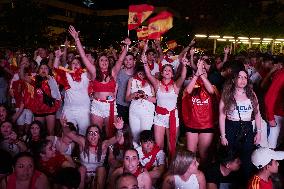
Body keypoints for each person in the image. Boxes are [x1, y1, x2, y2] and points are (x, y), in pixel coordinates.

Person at [69, 25, 131, 138]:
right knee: (95, 133)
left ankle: (110, 153)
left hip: (111, 106)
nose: (104, 62)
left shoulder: (113, 72)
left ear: (109, 62)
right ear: (98, 62)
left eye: (106, 60)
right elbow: (83, 56)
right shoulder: (93, 72)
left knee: (111, 133)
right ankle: (97, 154)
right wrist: (77, 39)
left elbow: (121, 59)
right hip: (97, 105)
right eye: (101, 60)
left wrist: (127, 46)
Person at [142, 41, 187, 158]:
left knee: (171, 146)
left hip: (172, 117)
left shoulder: (176, 86)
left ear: (172, 74)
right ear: (162, 73)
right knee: (159, 145)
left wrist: (184, 65)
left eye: (169, 71)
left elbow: (183, 76)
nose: (167, 72)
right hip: (159, 118)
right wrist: (145, 62)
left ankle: (170, 169)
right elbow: (148, 74)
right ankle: (160, 167)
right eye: (165, 70)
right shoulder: (157, 84)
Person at [219, 69, 262, 181]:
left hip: (247, 127)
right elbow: (222, 116)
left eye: (245, 77)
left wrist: (259, 132)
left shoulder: (251, 94)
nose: (243, 80)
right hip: (231, 126)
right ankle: (229, 182)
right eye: (239, 77)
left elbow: (257, 114)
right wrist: (223, 136)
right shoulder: (227, 94)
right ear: (233, 79)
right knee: (231, 157)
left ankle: (244, 182)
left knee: (246, 157)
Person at [61, 118, 122, 189]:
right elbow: (68, 134)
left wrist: (119, 129)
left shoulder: (103, 145)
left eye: (96, 133)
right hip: (83, 175)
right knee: (82, 168)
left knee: (101, 169)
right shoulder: (82, 142)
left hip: (99, 175)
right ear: (87, 135)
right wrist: (64, 126)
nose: (93, 135)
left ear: (99, 136)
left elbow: (117, 138)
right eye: (90, 133)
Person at [182, 59, 217, 165]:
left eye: (204, 72)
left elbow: (211, 91)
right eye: (199, 71)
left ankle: (204, 178)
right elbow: (187, 92)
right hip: (191, 125)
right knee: (190, 156)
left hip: (207, 126)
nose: (201, 72)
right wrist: (196, 75)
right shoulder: (191, 86)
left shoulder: (213, 87)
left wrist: (201, 74)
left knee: (204, 155)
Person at [53, 45, 91, 136]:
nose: (76, 64)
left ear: (81, 65)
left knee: (84, 134)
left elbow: (91, 68)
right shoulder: (66, 75)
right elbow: (55, 68)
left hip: (84, 110)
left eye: (78, 63)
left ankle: (82, 150)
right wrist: (57, 57)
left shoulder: (86, 75)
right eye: (73, 63)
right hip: (68, 110)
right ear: (70, 66)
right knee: (68, 134)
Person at [19, 62, 61, 136]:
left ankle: (51, 146)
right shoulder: (34, 80)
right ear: (38, 70)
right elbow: (22, 77)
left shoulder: (53, 80)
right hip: (38, 110)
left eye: (46, 68)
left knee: (50, 132)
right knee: (38, 132)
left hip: (50, 109)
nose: (43, 70)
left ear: (49, 70)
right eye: (41, 68)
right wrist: (22, 67)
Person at [126, 63, 156, 142]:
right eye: (139, 73)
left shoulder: (151, 82)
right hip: (134, 111)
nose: (141, 75)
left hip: (147, 112)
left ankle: (145, 153)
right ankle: (136, 152)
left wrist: (145, 97)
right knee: (135, 136)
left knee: (145, 136)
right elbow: (127, 98)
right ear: (136, 72)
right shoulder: (132, 80)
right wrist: (133, 95)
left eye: (144, 73)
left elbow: (155, 100)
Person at [264, 68, 284, 149]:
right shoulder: (282, 74)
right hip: (277, 115)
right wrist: (271, 117)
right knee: (271, 147)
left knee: (278, 143)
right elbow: (270, 96)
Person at [116, 52, 136, 124]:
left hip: (133, 105)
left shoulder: (137, 73)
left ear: (134, 61)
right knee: (119, 126)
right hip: (120, 104)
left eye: (130, 59)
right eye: (126, 59)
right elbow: (116, 87)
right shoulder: (120, 72)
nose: (128, 61)